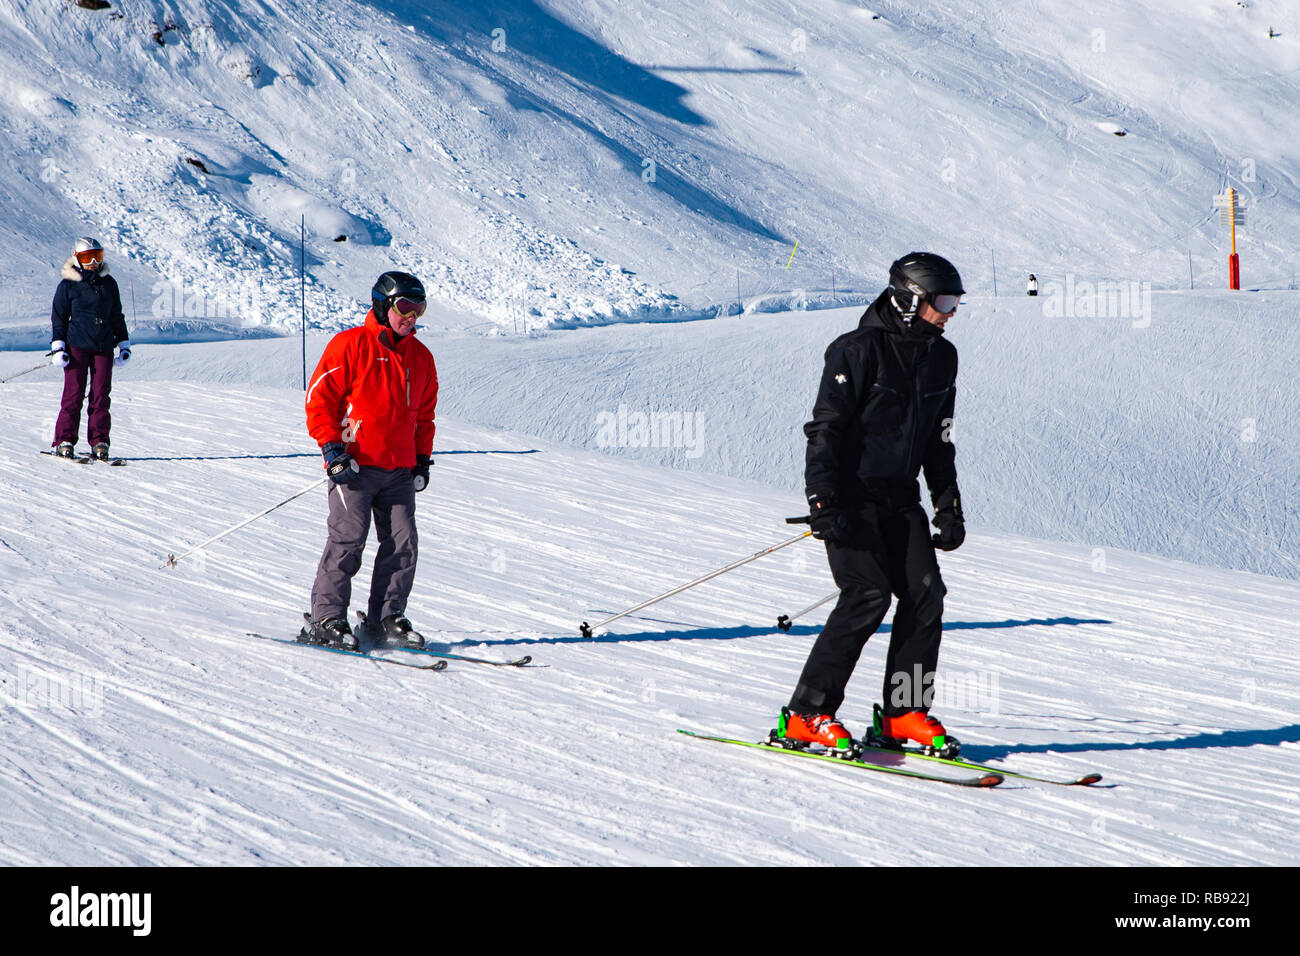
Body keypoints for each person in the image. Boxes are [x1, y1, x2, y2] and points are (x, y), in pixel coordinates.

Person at [778, 252, 966, 755]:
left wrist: (947, 505)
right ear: (909, 299)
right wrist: (822, 498)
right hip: (849, 495)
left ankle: (903, 715)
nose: (950, 312)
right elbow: (826, 428)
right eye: (943, 301)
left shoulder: (941, 359)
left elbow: (937, 441)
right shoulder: (855, 351)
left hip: (900, 498)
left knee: (926, 594)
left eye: (955, 302)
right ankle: (807, 714)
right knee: (867, 594)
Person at [300, 271, 439, 651]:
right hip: (355, 466)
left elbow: (424, 416)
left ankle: (385, 618)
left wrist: (422, 460)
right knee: (348, 540)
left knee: (402, 543)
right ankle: (327, 618)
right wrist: (331, 449)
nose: (412, 316)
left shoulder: (421, 357)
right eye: (405, 307)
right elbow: (320, 399)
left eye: (419, 308)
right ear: (382, 304)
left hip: (399, 469)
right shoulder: (350, 345)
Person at [49, 237, 131, 460]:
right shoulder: (68, 285)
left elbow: (116, 316)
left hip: (103, 346)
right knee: (74, 394)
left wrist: (123, 343)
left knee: (101, 395)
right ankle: (64, 439)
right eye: (87, 257)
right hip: (77, 347)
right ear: (77, 258)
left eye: (98, 256)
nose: (94, 261)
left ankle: (100, 441)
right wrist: (58, 346)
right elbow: (59, 318)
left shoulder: (109, 284)